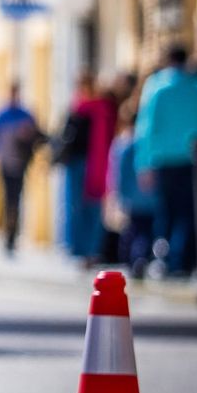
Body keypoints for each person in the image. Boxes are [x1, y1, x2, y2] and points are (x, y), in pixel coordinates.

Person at [135, 43, 197, 277]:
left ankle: (163, 259)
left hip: (162, 160)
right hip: (190, 158)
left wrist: (143, 163)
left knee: (165, 212)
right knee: (187, 212)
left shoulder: (156, 87)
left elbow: (145, 129)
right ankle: (181, 260)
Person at [56, 71, 114, 265]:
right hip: (75, 164)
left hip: (94, 164)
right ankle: (77, 247)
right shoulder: (75, 110)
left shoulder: (101, 110)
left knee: (93, 207)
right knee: (74, 206)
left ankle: (92, 249)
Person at [0, 79, 45, 257]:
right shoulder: (1, 114)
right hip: (5, 162)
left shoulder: (25, 114)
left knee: (16, 198)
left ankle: (13, 234)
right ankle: (6, 232)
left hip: (20, 162)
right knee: (6, 198)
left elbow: (37, 135)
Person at [107, 103, 157, 277]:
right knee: (146, 231)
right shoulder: (146, 142)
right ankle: (140, 258)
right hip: (149, 198)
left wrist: (119, 196)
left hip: (132, 199)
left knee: (132, 230)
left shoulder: (122, 144)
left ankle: (133, 260)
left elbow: (118, 174)